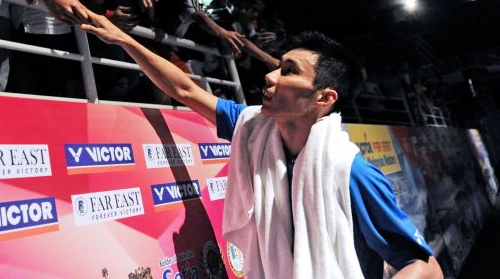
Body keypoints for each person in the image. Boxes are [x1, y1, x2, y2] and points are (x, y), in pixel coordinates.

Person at [81, 14, 443, 279]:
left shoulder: (352, 173)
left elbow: (425, 265)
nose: (269, 76)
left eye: (288, 71)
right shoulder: (255, 127)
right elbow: (186, 90)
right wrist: (124, 40)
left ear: (324, 98)